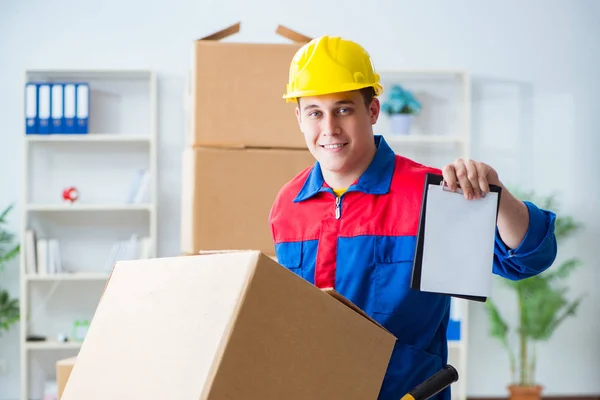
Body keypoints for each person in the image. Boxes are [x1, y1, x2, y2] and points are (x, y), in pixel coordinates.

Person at [268, 35, 557, 400]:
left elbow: (528, 259)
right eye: (315, 112)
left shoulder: (433, 193)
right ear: (299, 117)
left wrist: (497, 196)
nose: (329, 128)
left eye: (344, 109)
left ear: (372, 111)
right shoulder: (287, 204)